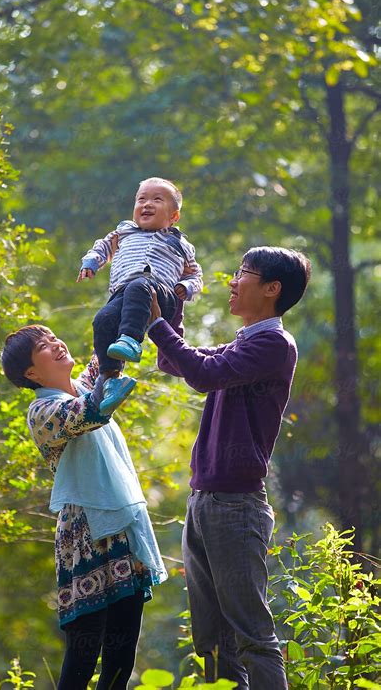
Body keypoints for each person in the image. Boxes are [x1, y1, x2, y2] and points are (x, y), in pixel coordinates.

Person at [147, 246, 311, 689]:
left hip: (235, 508)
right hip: (205, 502)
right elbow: (176, 361)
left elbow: (202, 374)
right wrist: (171, 303)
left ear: (272, 289)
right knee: (211, 643)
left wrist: (158, 323)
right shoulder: (246, 341)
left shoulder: (274, 344)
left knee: (252, 638)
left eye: (243, 274)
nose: (233, 283)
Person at [1, 325, 167, 690]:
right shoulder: (42, 410)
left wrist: (133, 301)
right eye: (44, 347)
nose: (58, 344)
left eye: (55, 338)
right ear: (31, 373)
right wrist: (106, 392)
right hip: (85, 538)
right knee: (83, 655)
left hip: (124, 528)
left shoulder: (86, 384)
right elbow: (86, 414)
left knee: (121, 658)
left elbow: (107, 350)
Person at [77, 177, 203, 413]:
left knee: (140, 285)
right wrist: (92, 262)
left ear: (174, 216)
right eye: (141, 199)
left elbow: (196, 275)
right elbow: (102, 247)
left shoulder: (180, 243)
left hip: (160, 296)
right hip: (123, 294)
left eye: (157, 199)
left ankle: (131, 341)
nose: (147, 204)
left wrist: (186, 287)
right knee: (102, 320)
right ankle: (111, 379)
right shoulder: (124, 232)